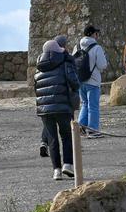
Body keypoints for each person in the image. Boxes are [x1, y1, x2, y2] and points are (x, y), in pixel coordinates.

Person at [35, 35, 79, 180]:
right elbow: (74, 82)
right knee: (66, 136)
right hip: (62, 106)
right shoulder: (65, 63)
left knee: (52, 139)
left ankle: (56, 171)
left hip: (44, 109)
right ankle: (67, 164)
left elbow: (37, 89)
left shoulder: (39, 69)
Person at [76, 25, 108, 138]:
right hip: (93, 80)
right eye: (96, 33)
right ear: (92, 34)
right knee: (93, 106)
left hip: (80, 80)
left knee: (85, 104)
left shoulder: (77, 46)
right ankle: (93, 130)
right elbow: (102, 65)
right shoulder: (97, 48)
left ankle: (80, 128)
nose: (97, 35)